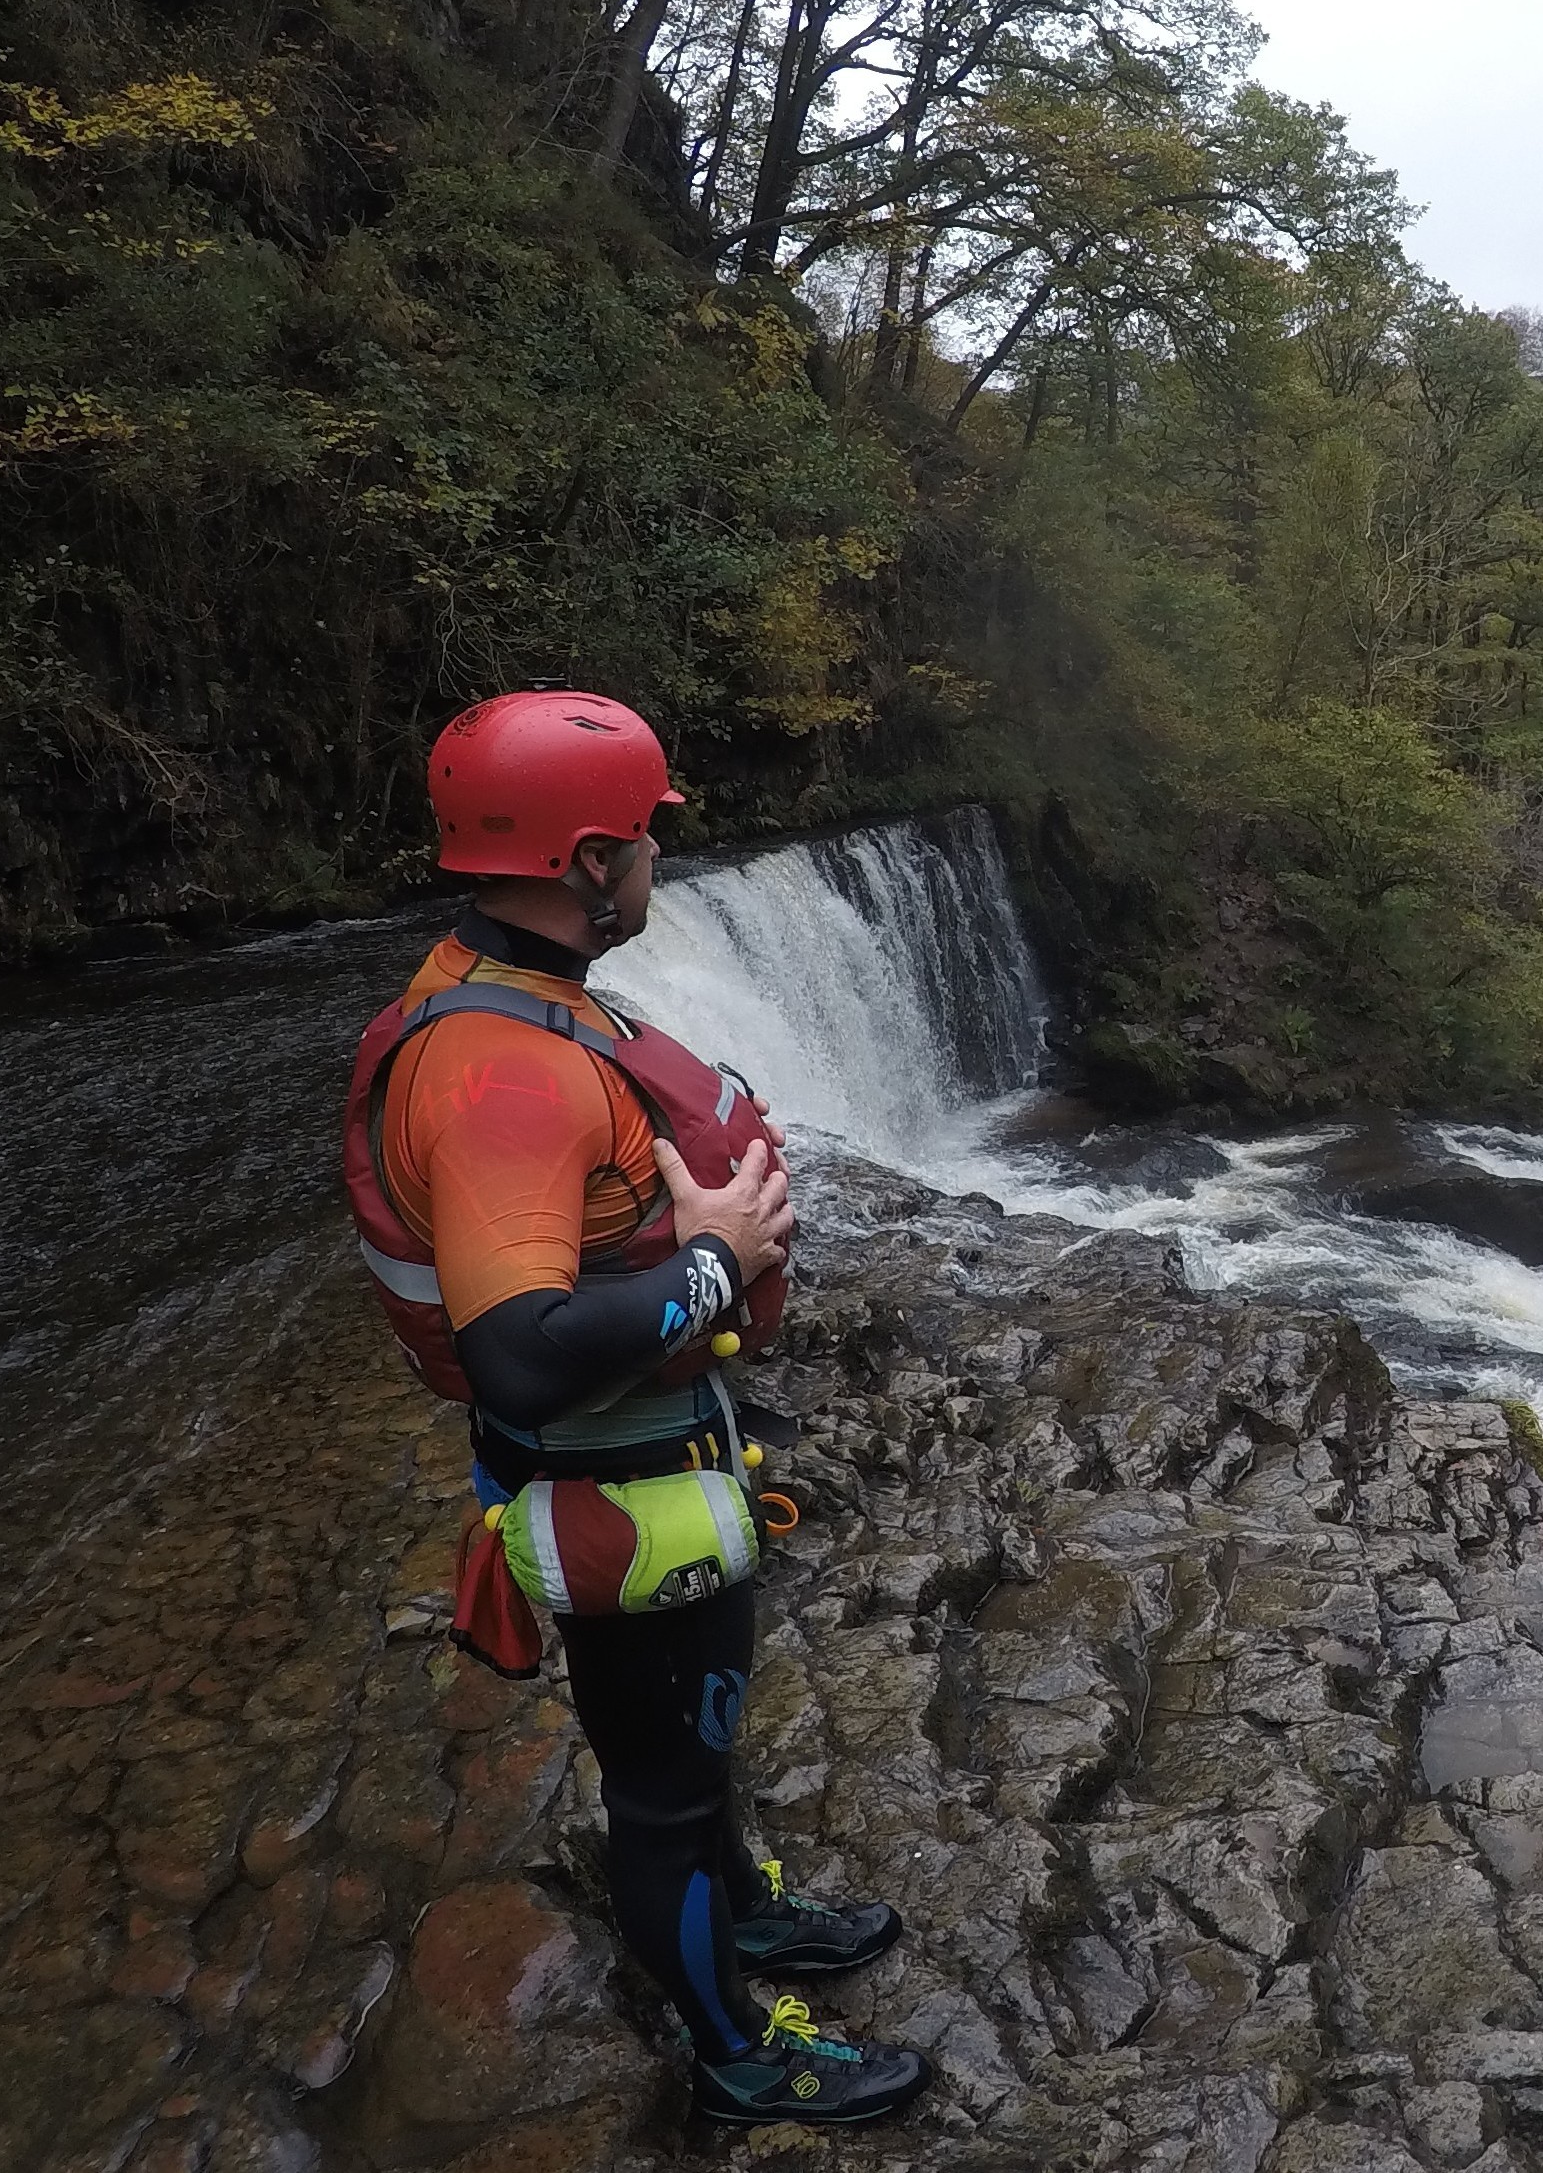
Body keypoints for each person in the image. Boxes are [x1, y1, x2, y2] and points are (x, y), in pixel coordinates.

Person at [340, 688, 930, 2126]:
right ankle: (740, 2051)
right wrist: (724, 1252)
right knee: (663, 1787)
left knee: (692, 1750)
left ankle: (744, 1906)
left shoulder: (508, 993)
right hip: (619, 1495)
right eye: (651, 837)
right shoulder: (504, 1083)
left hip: (657, 1457)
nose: (663, 860)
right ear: (591, 860)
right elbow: (524, 1354)